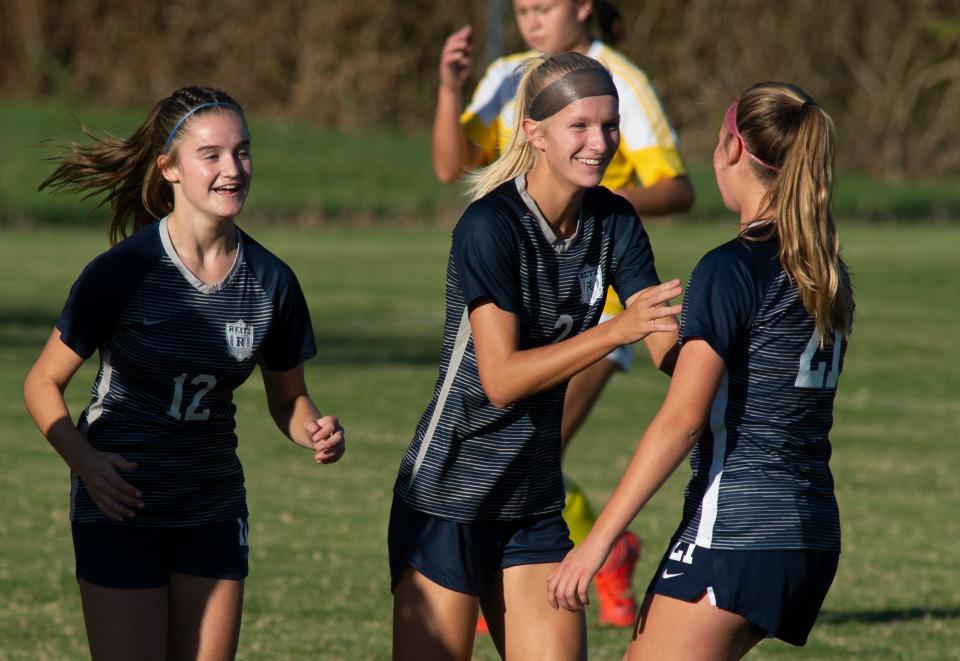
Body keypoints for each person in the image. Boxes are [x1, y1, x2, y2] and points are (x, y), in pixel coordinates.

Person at [23, 86, 346, 661]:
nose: (233, 169)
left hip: (212, 505)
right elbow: (41, 384)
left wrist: (313, 429)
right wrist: (86, 463)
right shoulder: (123, 272)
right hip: (122, 505)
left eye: (243, 152)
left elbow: (289, 398)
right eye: (212, 155)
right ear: (168, 167)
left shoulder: (272, 281)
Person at [547, 81, 855, 658]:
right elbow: (723, 377)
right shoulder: (821, 268)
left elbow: (683, 420)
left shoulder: (731, 267)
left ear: (732, 150)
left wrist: (597, 545)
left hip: (739, 524)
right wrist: (632, 277)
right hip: (810, 527)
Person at [391, 52, 682, 660]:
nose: (599, 143)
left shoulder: (616, 222)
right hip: (448, 498)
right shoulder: (489, 226)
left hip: (532, 504)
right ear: (534, 131)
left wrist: (731, 353)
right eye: (580, 126)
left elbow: (665, 348)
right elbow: (500, 380)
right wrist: (613, 331)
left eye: (609, 126)